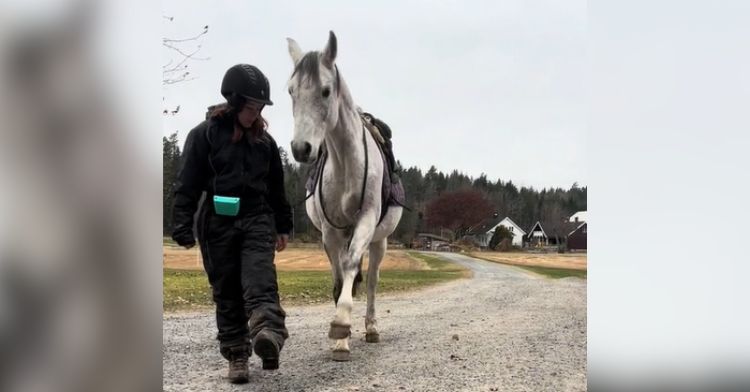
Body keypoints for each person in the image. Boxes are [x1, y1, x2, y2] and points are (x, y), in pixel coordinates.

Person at [171, 63, 292, 384]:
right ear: (235, 102)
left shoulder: (265, 144)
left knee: (259, 280)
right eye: (251, 107)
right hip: (216, 223)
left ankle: (269, 334)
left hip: (257, 218)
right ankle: (237, 353)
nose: (255, 114)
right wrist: (181, 223)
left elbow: (277, 190)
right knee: (226, 291)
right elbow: (187, 183)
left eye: (260, 108)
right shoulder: (203, 135)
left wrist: (283, 226)